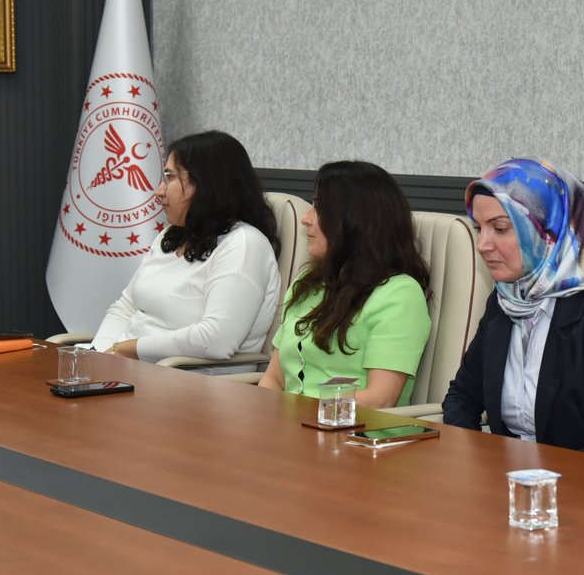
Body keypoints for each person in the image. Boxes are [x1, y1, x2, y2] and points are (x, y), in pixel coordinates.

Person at [442, 158, 584, 452]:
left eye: (499, 229)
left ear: (548, 233)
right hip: (506, 479)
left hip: (581, 483)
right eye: (478, 228)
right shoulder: (505, 299)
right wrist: (477, 460)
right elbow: (461, 396)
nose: (482, 244)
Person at [92, 131, 281, 372]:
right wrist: (99, 355)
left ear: (206, 184)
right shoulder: (171, 235)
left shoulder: (244, 244)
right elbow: (126, 307)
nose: (158, 191)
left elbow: (216, 341)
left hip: (193, 388)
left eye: (170, 177)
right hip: (132, 374)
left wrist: (126, 349)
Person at [258, 161, 431, 407]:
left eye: (319, 207)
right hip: (293, 430)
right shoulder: (306, 285)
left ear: (355, 222)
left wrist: (297, 416)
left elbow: (379, 400)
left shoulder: (400, 294)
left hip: (354, 437)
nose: (306, 219)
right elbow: (273, 379)